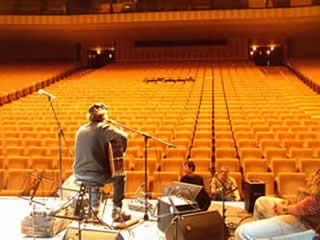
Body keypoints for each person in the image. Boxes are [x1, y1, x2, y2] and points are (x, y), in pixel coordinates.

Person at [73, 102, 130, 222]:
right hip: (96, 175)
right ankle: (116, 209)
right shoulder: (104, 128)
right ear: (104, 117)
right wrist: (122, 152)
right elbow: (124, 136)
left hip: (78, 173)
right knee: (120, 176)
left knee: (95, 172)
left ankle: (94, 208)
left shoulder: (81, 129)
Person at [235, 169, 320, 240]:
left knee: (242, 232)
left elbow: (311, 206)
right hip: (300, 210)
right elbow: (308, 196)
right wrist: (290, 202)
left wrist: (285, 209)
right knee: (261, 201)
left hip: (306, 222)